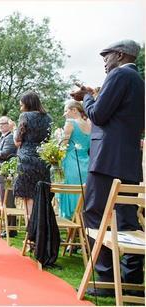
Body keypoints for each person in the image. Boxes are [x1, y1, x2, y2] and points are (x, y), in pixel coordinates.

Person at [70, 39, 144, 296]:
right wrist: (95, 95)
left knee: (94, 214)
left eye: (107, 56)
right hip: (130, 161)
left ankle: (105, 276)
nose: (104, 61)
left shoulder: (117, 75)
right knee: (127, 219)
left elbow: (99, 115)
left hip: (106, 160)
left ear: (120, 55)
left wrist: (87, 98)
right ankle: (132, 280)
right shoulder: (139, 81)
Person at [13, 91, 52, 218]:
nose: (21, 107)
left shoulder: (25, 116)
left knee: (28, 197)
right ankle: (41, 230)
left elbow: (18, 141)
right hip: (42, 160)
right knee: (40, 196)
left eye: (21, 105)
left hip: (26, 160)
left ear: (27, 104)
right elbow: (48, 140)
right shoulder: (48, 118)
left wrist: (14, 130)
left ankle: (31, 231)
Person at [58, 100, 90, 219]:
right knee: (82, 193)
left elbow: (63, 145)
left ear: (74, 110)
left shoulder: (70, 122)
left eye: (66, 111)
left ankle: (69, 221)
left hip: (71, 162)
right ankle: (81, 222)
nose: (65, 114)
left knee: (69, 191)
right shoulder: (89, 124)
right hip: (86, 162)